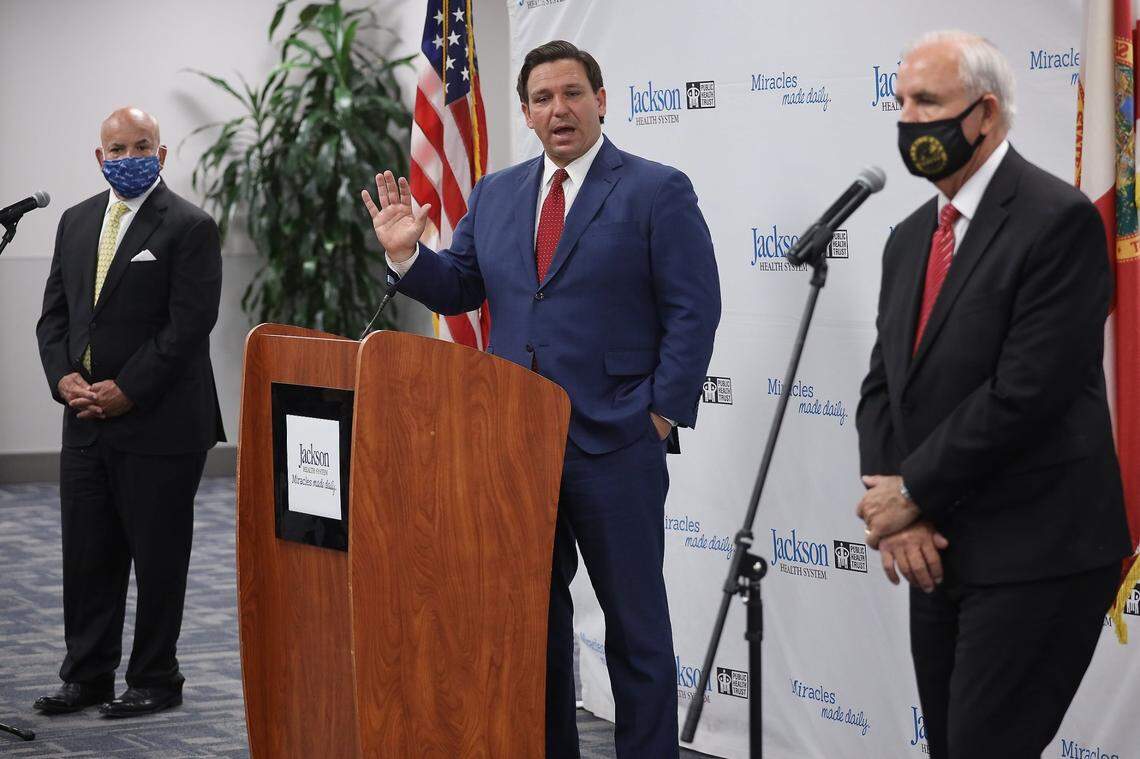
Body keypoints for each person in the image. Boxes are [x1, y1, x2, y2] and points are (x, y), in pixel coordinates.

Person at [361, 40, 720, 759]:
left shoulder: (656, 189)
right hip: (515, 444)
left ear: (601, 101)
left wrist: (658, 414)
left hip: (616, 442)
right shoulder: (496, 193)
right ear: (525, 113)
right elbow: (461, 286)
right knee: (531, 627)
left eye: (573, 93)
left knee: (636, 629)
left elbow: (694, 308)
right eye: (543, 98)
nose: (560, 109)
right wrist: (407, 254)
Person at [855, 32, 1132, 757]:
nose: (908, 119)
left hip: (1037, 550)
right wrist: (898, 510)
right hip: (936, 548)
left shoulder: (1058, 219)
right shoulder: (909, 237)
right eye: (901, 102)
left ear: (984, 113)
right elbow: (884, 385)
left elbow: (1025, 393)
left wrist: (911, 489)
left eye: (927, 102)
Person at [34, 107, 225, 718]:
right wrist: (62, 378)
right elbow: (55, 317)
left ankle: (155, 677)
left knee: (159, 556)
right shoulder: (75, 220)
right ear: (100, 157)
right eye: (117, 149)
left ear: (161, 154)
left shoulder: (190, 226)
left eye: (142, 146)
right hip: (85, 418)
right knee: (88, 553)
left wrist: (128, 389)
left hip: (161, 421)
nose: (129, 157)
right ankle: (87, 676)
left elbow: (190, 326)